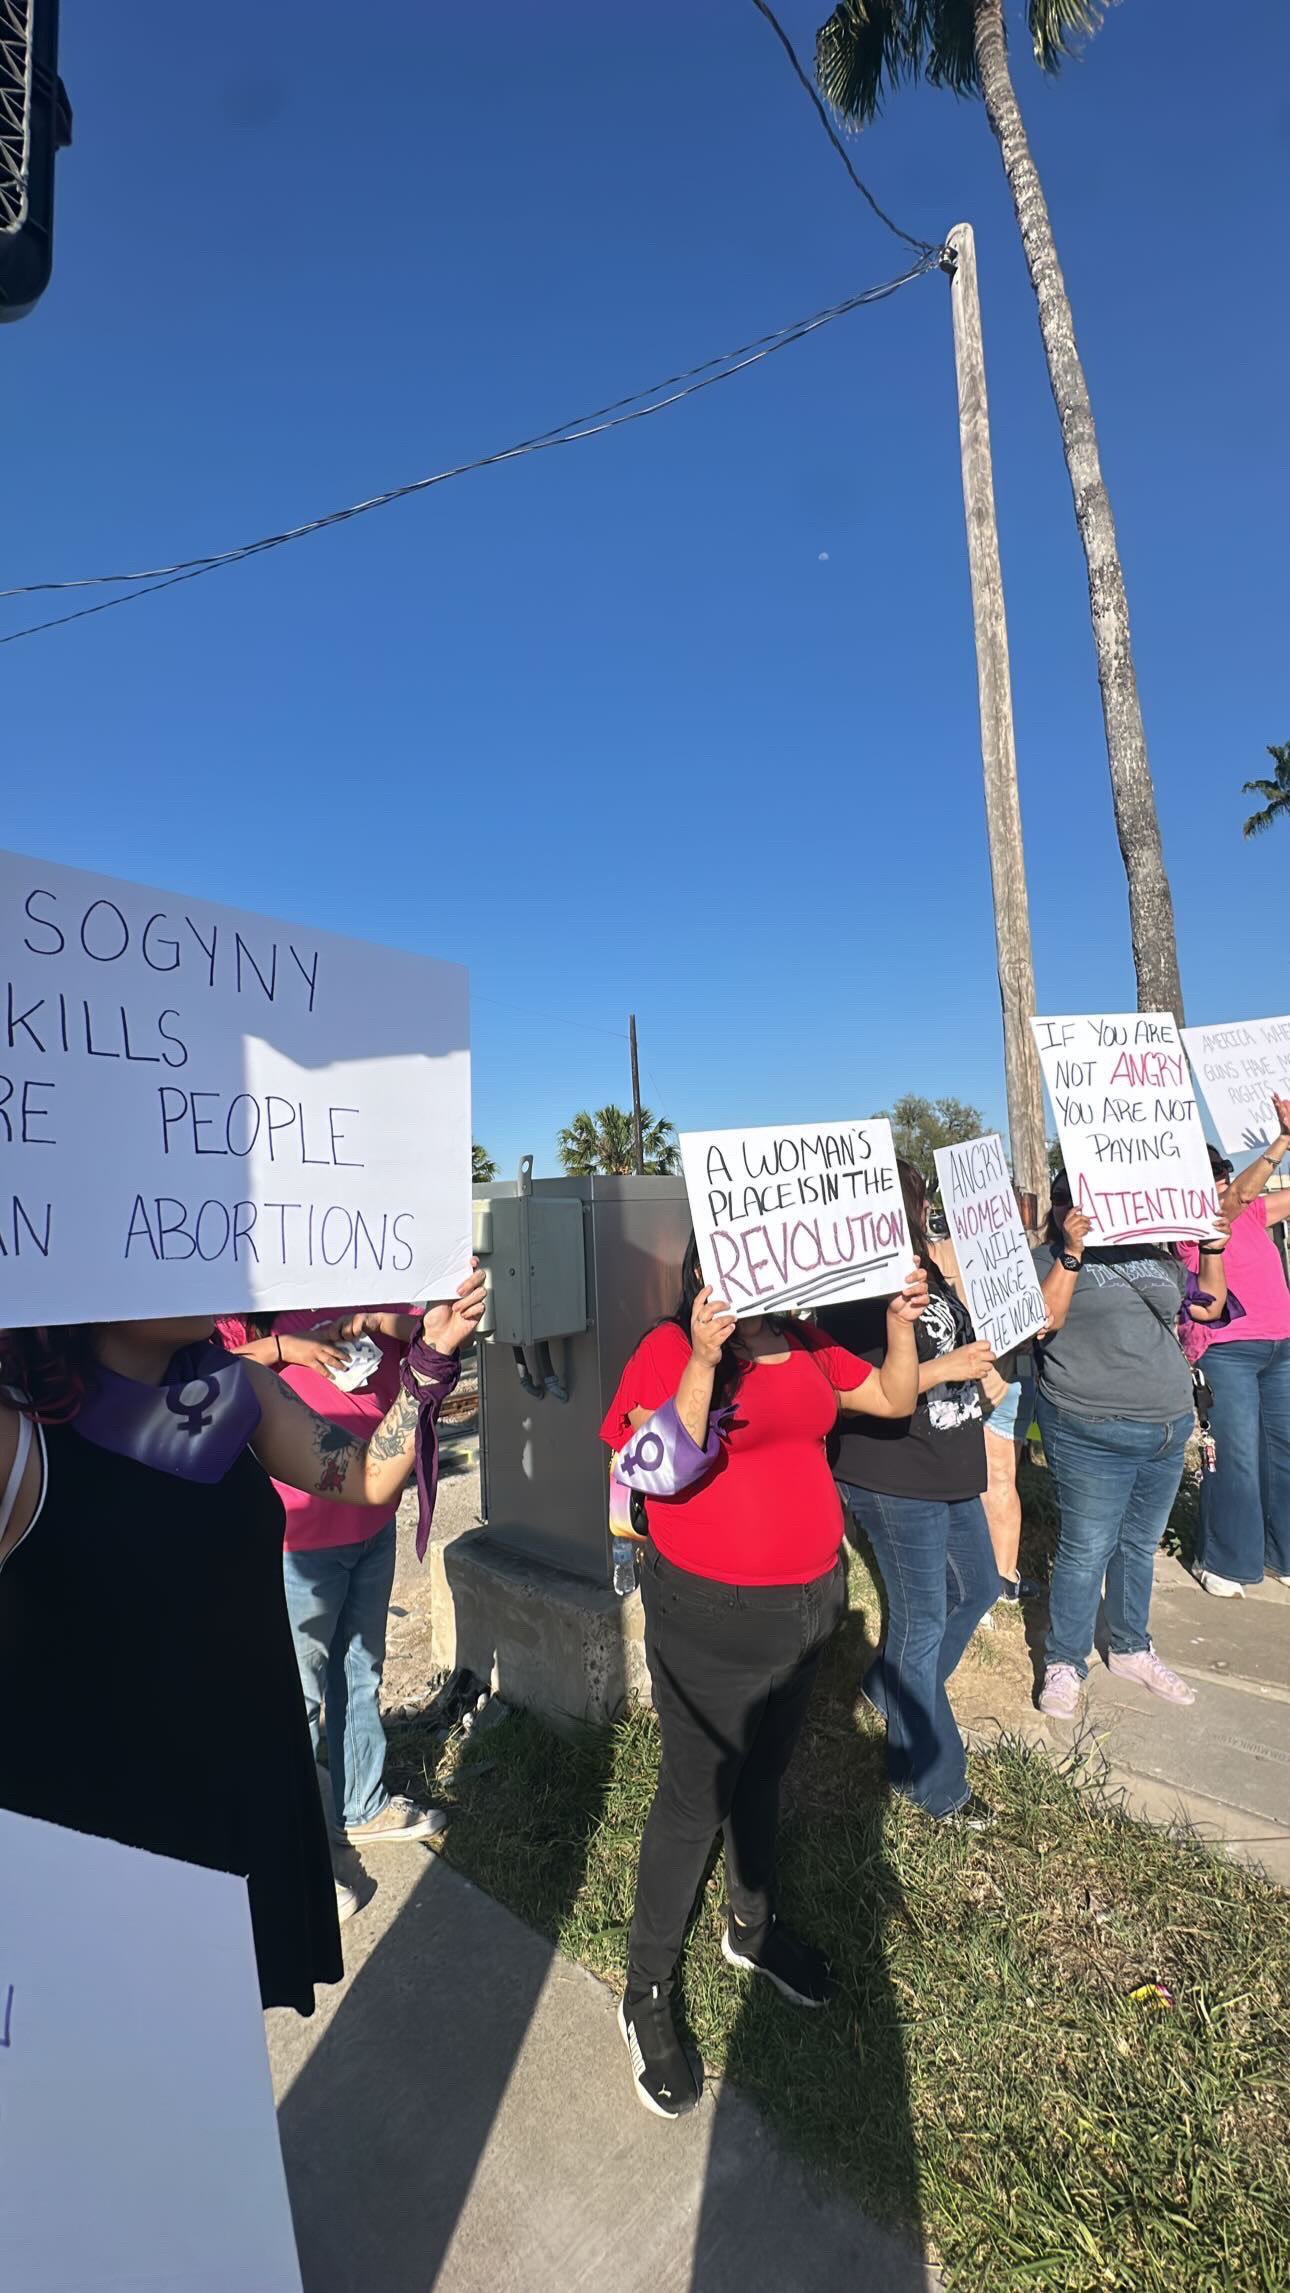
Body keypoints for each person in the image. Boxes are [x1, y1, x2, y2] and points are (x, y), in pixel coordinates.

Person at [0, 1267, 486, 2013]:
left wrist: (430, 1359)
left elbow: (362, 1476)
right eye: (157, 1245)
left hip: (240, 1789)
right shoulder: (20, 1432)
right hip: (105, 1830)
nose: (200, 1262)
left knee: (219, 2048)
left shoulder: (237, 1390)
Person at [601, 1237, 927, 2120]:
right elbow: (654, 1466)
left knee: (764, 1777)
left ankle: (750, 1927)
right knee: (692, 1799)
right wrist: (705, 1361)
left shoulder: (811, 1338)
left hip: (810, 1605)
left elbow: (894, 1397)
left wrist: (900, 1325)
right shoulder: (669, 1349)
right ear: (710, 1269)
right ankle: (647, 1989)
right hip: (707, 1618)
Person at [218, 1306, 450, 1912]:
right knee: (295, 1698)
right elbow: (200, 1373)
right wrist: (283, 1348)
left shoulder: (362, 1272)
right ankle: (285, 1858)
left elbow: (427, 1340)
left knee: (360, 1670)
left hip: (371, 1520)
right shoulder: (250, 1306)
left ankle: (360, 1807)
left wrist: (377, 1317)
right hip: (298, 1540)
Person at [821, 1160, 1001, 1829]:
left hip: (949, 1461)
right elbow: (846, 1385)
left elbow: (951, 1339)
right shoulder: (851, 1285)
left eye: (919, 1197)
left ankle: (888, 1688)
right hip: (890, 1473)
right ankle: (930, 1779)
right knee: (920, 1622)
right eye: (910, 1199)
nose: (920, 1209)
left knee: (979, 1587)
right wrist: (947, 1367)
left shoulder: (926, 1265)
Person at [1032, 1178, 1228, 1718]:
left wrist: (1212, 1248)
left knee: (1138, 1547)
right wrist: (1072, 1253)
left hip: (1165, 1427)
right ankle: (1066, 1661)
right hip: (1089, 1429)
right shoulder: (1041, 1258)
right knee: (1085, 1550)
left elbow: (1207, 1307)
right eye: (1074, 1199)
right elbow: (1044, 1322)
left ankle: (1131, 1648)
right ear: (1059, 1208)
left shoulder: (1154, 1256)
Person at [1178, 1099, 1290, 1596]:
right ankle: (1225, 1560)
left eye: (1223, 1170)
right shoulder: (1194, 1224)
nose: (1222, 1180)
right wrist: (1283, 1141)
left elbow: (1256, 1199)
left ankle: (1280, 1552)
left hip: (1280, 1346)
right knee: (1237, 1457)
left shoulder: (1252, 1214)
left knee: (1282, 1454)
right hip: (1226, 1351)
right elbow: (1237, 1199)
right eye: (1214, 1173)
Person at [980, 1362, 1039, 1604]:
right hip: (1021, 1378)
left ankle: (1002, 1579)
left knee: (996, 1481)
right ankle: (1006, 1575)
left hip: (995, 1381)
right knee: (1004, 1478)